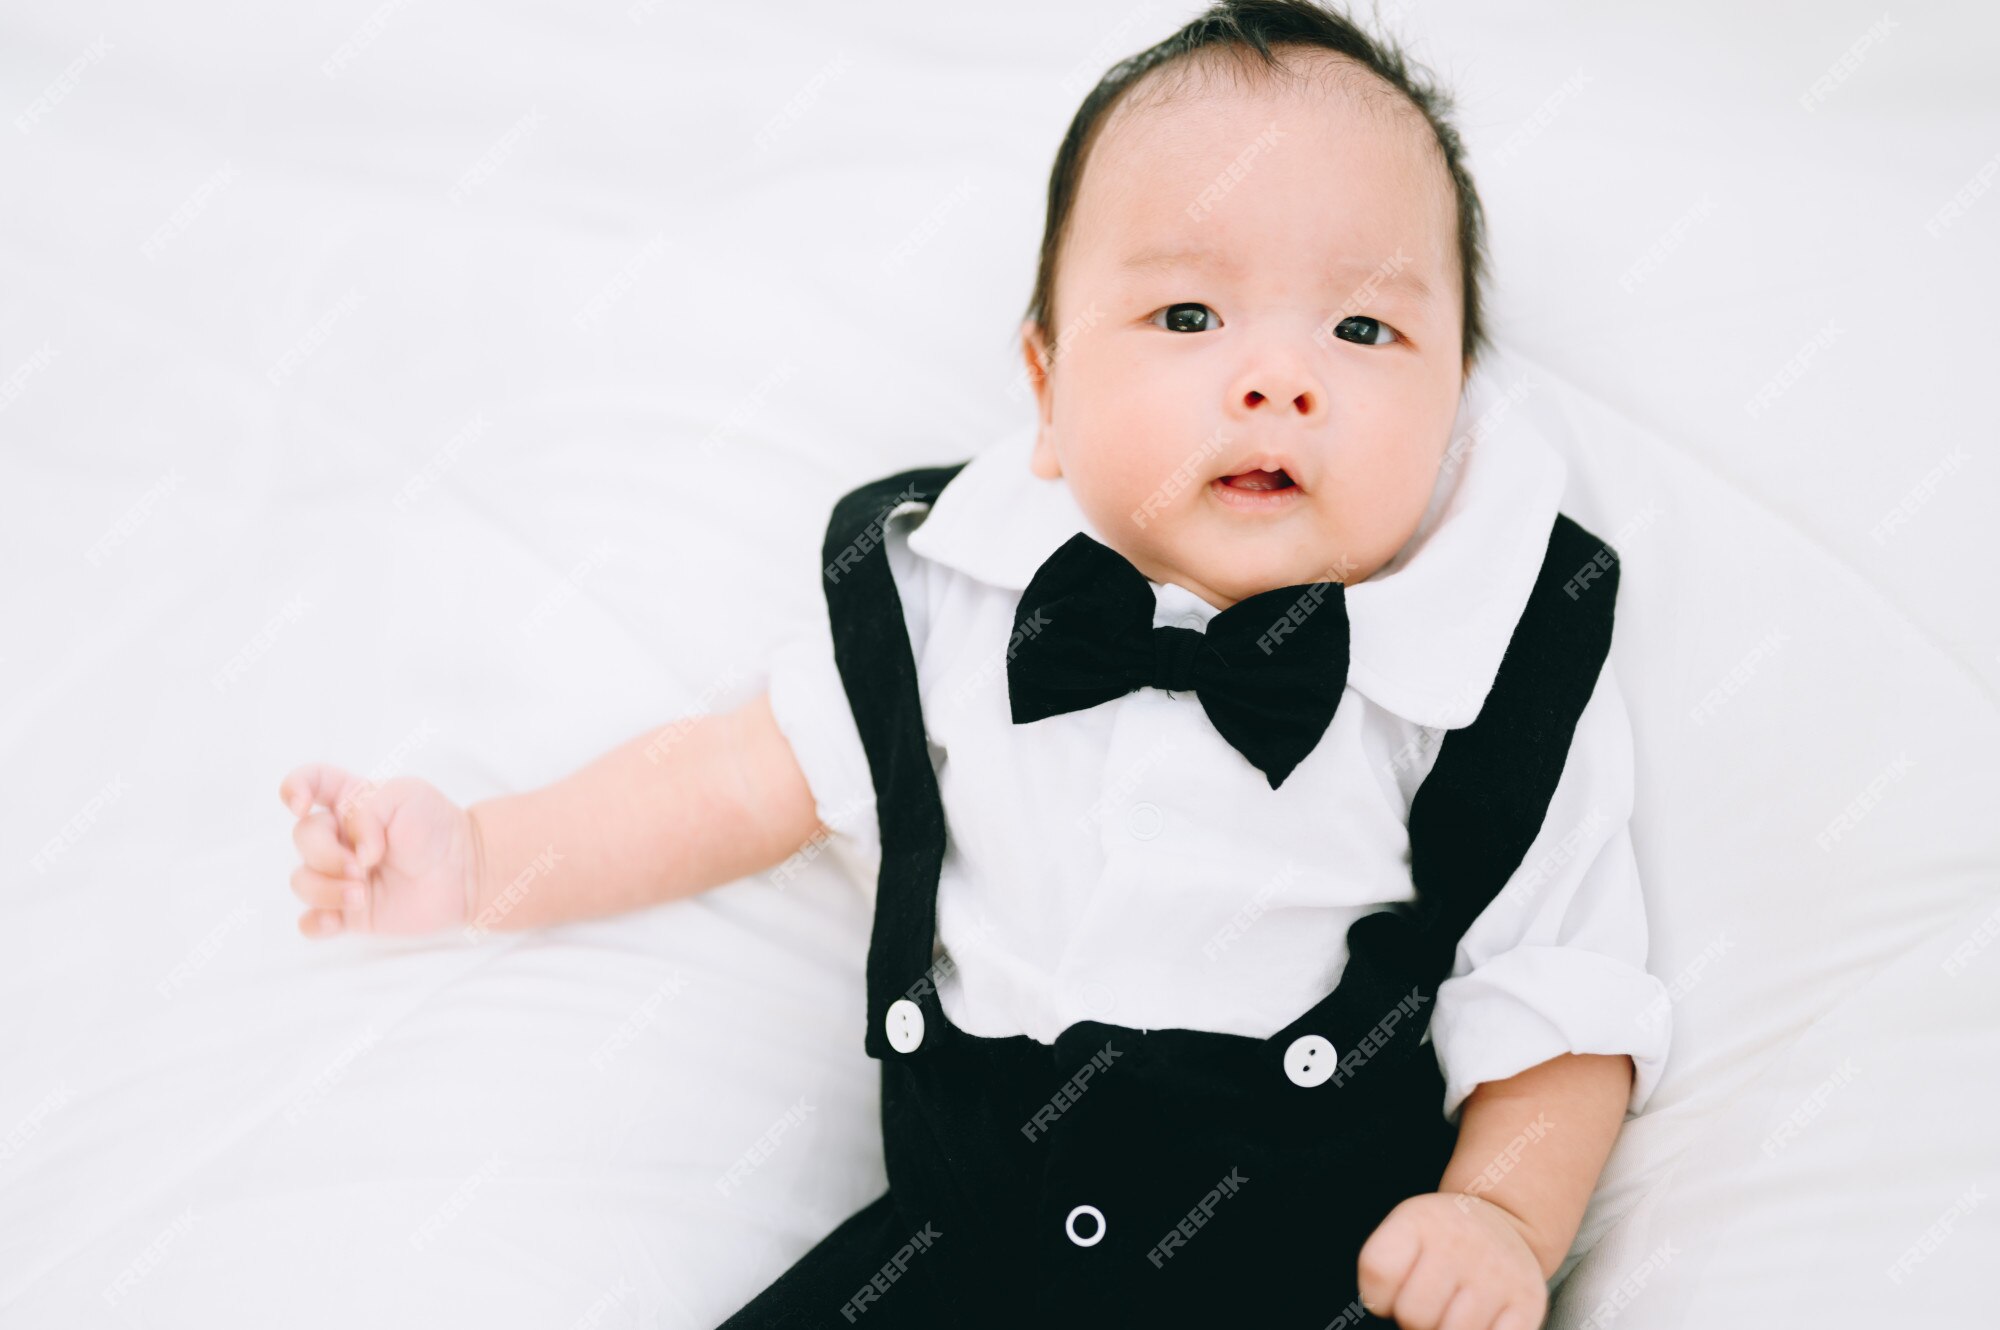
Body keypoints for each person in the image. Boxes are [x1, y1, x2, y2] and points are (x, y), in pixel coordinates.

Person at [279, 3, 1669, 1325]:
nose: (1276, 378)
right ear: (1046, 387)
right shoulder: (951, 594)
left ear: (1456, 404)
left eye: (1363, 330)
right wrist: (480, 851)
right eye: (1188, 316)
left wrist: (1498, 1214)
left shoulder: (1488, 670)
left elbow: (1561, 1003)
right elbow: (732, 774)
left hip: (1306, 1275)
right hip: (956, 1258)